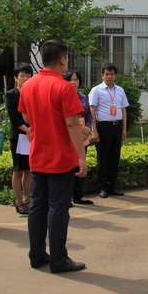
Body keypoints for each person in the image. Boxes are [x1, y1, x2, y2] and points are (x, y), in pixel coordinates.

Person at [18, 40, 87, 273]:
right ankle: (59, 260)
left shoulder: (28, 85)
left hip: (38, 155)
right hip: (60, 158)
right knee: (58, 209)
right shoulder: (65, 88)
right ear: (63, 59)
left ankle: (37, 256)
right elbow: (72, 124)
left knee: (37, 207)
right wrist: (81, 157)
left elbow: (26, 118)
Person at [89, 63, 129, 198]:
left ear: (115, 76)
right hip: (103, 127)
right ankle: (102, 187)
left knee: (114, 158)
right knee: (103, 158)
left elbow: (123, 110)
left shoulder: (120, 90)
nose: (109, 76)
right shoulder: (96, 90)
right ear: (102, 75)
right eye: (107, 74)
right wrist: (94, 130)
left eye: (112, 74)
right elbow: (92, 111)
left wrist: (124, 129)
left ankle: (112, 186)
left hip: (117, 126)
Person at [5, 63, 33, 215]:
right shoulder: (11, 95)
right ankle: (18, 201)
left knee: (28, 169)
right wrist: (26, 129)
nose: (25, 78)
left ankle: (27, 198)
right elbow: (13, 117)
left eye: (28, 76)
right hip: (18, 135)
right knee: (18, 169)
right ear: (16, 78)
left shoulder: (33, 93)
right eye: (22, 76)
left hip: (32, 135)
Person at [64, 70, 94, 205]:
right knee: (68, 166)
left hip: (83, 135)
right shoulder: (63, 97)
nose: (73, 82)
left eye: (75, 79)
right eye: (70, 79)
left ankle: (78, 195)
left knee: (80, 164)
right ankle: (66, 197)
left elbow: (89, 116)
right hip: (69, 134)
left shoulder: (83, 98)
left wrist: (86, 131)